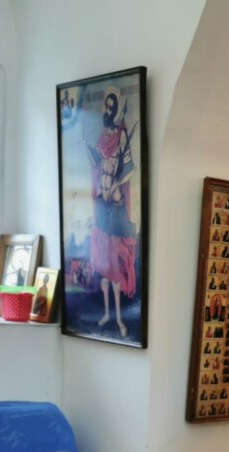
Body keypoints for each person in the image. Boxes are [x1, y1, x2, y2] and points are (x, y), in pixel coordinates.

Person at [87, 86, 138, 339]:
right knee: (104, 270)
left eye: (111, 106)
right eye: (106, 106)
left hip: (115, 202)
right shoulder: (102, 138)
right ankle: (107, 314)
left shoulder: (121, 136)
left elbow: (131, 168)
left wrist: (117, 185)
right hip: (102, 202)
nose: (107, 110)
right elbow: (97, 165)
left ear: (116, 109)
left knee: (116, 268)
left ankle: (119, 318)